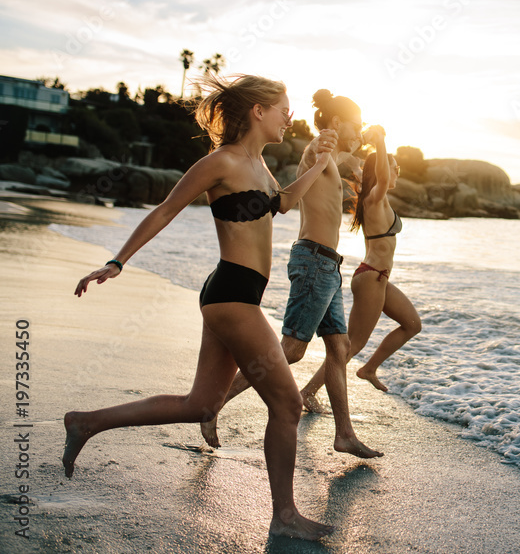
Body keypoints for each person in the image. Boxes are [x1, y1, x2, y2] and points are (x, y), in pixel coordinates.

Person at [64, 75, 335, 541]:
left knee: (201, 404)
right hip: (231, 295)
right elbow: (166, 209)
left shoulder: (259, 166)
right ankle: (285, 515)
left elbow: (285, 204)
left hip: (236, 294)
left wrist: (320, 163)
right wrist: (116, 262)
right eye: (283, 109)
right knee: (288, 405)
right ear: (257, 111)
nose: (289, 118)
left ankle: (86, 422)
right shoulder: (221, 162)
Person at [200, 90, 382, 459]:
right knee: (292, 351)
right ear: (335, 124)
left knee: (338, 347)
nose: (359, 131)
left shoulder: (333, 156)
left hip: (328, 264)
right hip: (314, 262)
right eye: (355, 124)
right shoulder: (318, 150)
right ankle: (212, 406)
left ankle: (344, 434)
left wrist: (369, 143)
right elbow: (318, 156)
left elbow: (348, 159)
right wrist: (325, 142)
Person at [300, 124, 421, 400]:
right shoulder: (374, 198)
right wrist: (380, 142)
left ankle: (369, 369)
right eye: (394, 167)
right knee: (349, 347)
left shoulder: (379, 200)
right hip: (371, 278)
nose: (397, 173)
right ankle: (307, 392)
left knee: (412, 324)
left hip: (379, 278)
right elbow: (377, 172)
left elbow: (369, 168)